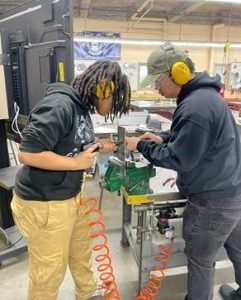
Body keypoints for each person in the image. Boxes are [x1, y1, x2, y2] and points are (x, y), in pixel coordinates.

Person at [126, 42, 241, 300]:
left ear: (175, 73)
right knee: (238, 248)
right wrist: (163, 138)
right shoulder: (205, 98)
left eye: (157, 80)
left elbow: (180, 158)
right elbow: (195, 137)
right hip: (233, 191)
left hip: (212, 201)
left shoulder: (194, 107)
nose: (156, 87)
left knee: (201, 260)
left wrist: (141, 145)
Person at [11, 60, 131, 300]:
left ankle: (86, 294)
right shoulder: (59, 106)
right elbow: (29, 153)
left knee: (80, 252)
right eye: (114, 98)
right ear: (103, 89)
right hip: (45, 202)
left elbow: (69, 144)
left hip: (71, 195)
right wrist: (77, 163)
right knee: (49, 271)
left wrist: (95, 147)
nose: (113, 105)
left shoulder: (80, 107)